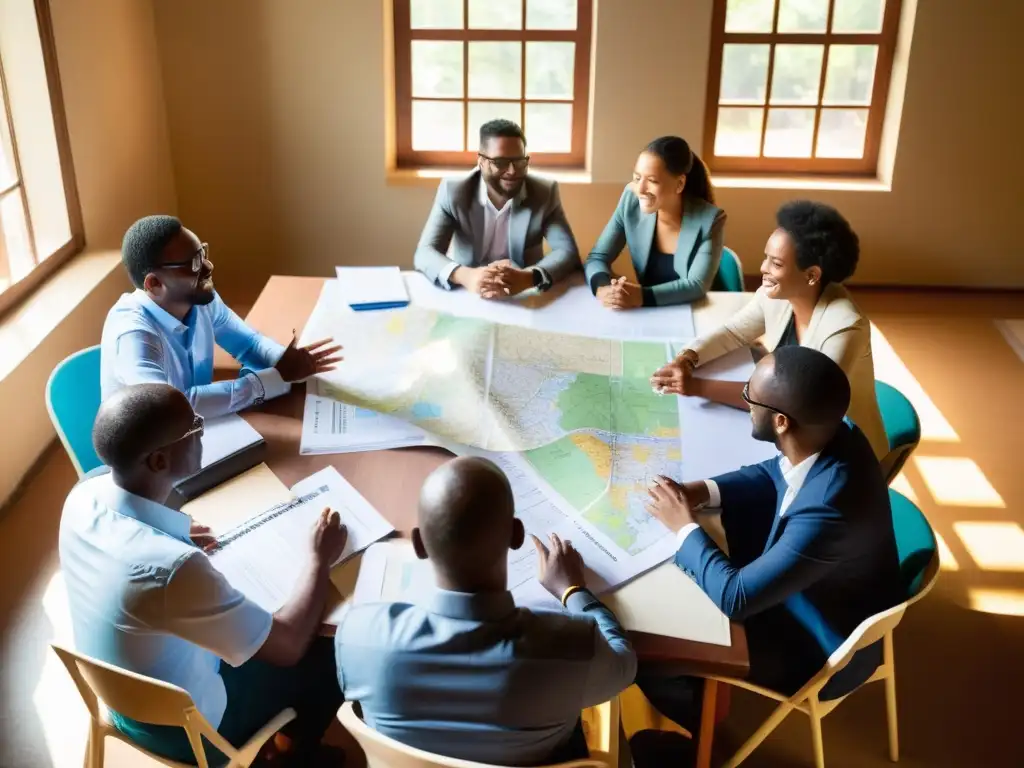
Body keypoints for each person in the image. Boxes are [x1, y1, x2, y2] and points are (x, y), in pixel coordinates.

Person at [59, 383, 347, 766]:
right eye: (194, 427)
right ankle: (295, 756)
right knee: (327, 650)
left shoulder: (82, 496)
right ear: (159, 462)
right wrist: (318, 557)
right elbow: (288, 645)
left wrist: (170, 528)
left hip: (121, 697)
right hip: (191, 730)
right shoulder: (174, 569)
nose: (202, 430)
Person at [641, 346, 903, 734]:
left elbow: (737, 599)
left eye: (751, 395)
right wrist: (702, 491)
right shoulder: (835, 430)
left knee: (652, 654)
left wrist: (683, 527)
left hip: (813, 640)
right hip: (816, 584)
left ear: (780, 422)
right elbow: (775, 472)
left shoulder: (828, 511)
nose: (745, 400)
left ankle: (706, 731)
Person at [334, 456, 636, 766]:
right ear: (516, 535)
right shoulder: (573, 647)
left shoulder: (358, 635)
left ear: (420, 544)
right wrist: (572, 590)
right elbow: (624, 665)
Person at [650, 200, 889, 463]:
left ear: (811, 275)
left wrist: (697, 386)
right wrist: (687, 359)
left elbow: (795, 401)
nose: (763, 269)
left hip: (843, 452)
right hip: (792, 432)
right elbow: (732, 333)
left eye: (776, 263)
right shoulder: (776, 295)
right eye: (767, 258)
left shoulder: (844, 327)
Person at [101, 215, 342, 419]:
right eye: (194, 262)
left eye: (203, 253)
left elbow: (249, 343)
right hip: (154, 454)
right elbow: (176, 407)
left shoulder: (200, 300)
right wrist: (272, 379)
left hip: (198, 431)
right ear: (154, 283)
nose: (208, 266)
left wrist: (285, 361)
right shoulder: (134, 336)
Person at [413, 119, 580, 298]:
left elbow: (567, 251)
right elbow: (425, 252)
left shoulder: (544, 192)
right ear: (481, 162)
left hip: (522, 295)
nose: (512, 171)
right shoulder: (454, 191)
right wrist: (466, 276)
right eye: (500, 162)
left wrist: (529, 277)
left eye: (519, 161)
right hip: (467, 293)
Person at [584, 136, 725, 309]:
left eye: (652, 181)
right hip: (652, 314)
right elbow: (598, 257)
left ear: (680, 184)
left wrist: (642, 296)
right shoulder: (631, 199)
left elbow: (696, 285)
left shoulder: (711, 219)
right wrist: (602, 288)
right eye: (637, 178)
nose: (641, 190)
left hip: (698, 312)